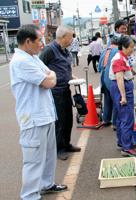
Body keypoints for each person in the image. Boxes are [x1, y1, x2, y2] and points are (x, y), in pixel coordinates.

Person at [9, 24, 67, 200]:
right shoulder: (21, 61)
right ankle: (30, 195)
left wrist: (49, 77)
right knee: (33, 160)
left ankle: (46, 184)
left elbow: (51, 74)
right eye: (39, 40)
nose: (42, 44)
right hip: (33, 118)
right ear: (28, 42)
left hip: (45, 115)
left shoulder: (32, 58)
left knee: (49, 155)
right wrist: (49, 77)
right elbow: (49, 81)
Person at [40, 26, 81, 161]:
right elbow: (40, 67)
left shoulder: (65, 51)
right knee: (60, 120)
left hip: (66, 89)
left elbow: (65, 69)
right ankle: (59, 149)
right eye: (70, 37)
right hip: (55, 92)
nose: (72, 39)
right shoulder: (49, 50)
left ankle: (66, 143)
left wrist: (73, 77)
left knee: (68, 118)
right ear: (63, 37)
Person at [109, 35, 136, 157]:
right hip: (121, 88)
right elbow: (119, 78)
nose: (132, 49)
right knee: (127, 118)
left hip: (121, 87)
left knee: (121, 117)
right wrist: (123, 96)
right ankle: (127, 147)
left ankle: (122, 142)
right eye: (131, 47)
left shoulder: (123, 57)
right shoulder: (118, 58)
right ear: (123, 47)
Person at [98, 36, 119, 128]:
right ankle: (115, 123)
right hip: (111, 78)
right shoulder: (117, 51)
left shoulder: (104, 51)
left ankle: (106, 119)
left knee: (107, 99)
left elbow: (99, 67)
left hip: (103, 77)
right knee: (116, 100)